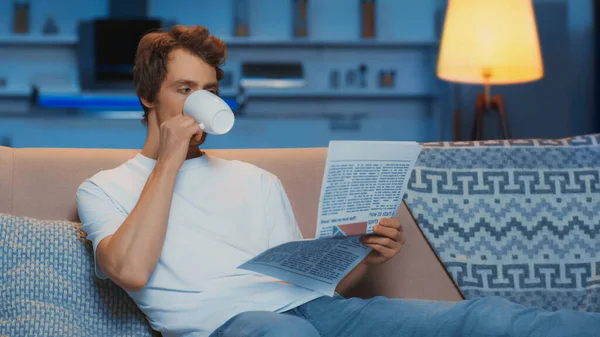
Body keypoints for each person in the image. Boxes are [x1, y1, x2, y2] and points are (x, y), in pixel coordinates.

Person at [76, 25, 600, 337]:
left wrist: (361, 256)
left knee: (486, 320)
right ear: (149, 97)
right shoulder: (105, 188)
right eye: (185, 89)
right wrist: (167, 160)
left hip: (316, 312)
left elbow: (299, 285)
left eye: (210, 89)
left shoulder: (254, 178)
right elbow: (131, 270)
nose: (202, 103)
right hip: (234, 328)